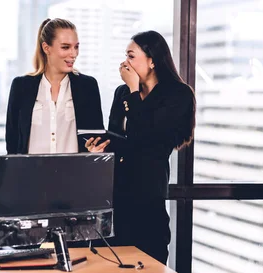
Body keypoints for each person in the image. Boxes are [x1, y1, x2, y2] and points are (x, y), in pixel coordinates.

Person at [86, 30, 196, 264]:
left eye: (131, 56)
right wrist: (100, 148)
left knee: (148, 261)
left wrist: (135, 91)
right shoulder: (122, 92)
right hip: (116, 197)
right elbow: (117, 138)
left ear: (153, 60)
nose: (125, 62)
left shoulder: (178, 94)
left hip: (148, 198)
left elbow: (152, 138)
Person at [6, 18, 106, 155]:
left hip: (76, 174)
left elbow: (97, 139)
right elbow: (12, 145)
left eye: (76, 47)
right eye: (66, 47)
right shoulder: (21, 87)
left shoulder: (88, 87)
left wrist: (95, 149)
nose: (74, 54)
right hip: (30, 175)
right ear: (46, 48)